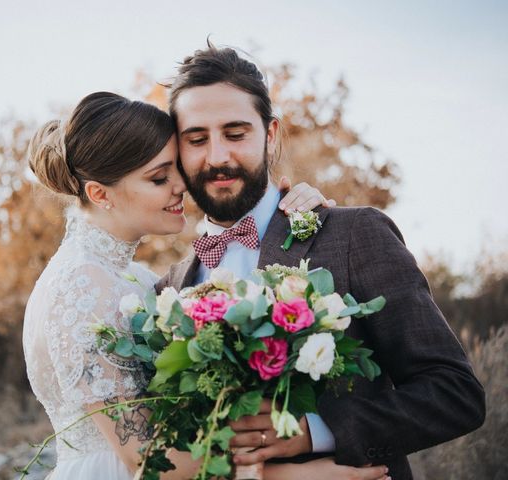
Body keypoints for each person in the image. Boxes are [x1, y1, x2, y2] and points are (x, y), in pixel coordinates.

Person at [156, 42, 486, 480]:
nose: (217, 156)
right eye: (196, 139)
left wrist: (314, 432)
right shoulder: (167, 291)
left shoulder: (353, 234)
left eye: (236, 134)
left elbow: (455, 394)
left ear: (270, 134)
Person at [23, 91, 390, 480]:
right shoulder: (82, 285)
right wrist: (305, 476)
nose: (182, 184)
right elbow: (146, 459)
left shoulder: (144, 281)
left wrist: (304, 221)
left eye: (176, 168)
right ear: (99, 194)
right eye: (159, 178)